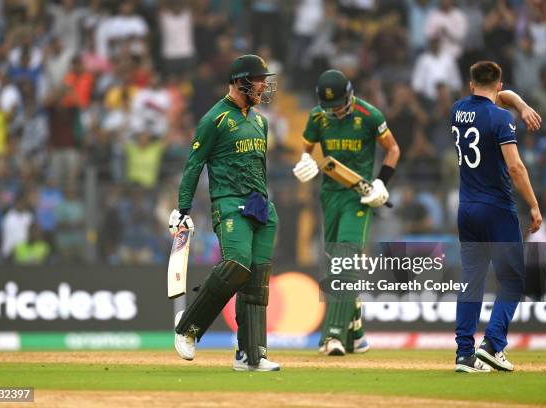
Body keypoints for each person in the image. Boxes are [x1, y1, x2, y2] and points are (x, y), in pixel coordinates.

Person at [170, 54, 280, 371]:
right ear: (239, 81)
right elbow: (194, 165)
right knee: (236, 266)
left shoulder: (261, 121)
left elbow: (259, 167)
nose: (263, 85)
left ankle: (250, 354)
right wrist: (183, 208)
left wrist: (266, 205)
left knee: (257, 281)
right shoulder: (214, 119)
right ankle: (188, 327)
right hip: (230, 202)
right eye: (258, 79)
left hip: (261, 205)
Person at [293, 69, 400, 356]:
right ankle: (357, 332)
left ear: (350, 95)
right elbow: (307, 149)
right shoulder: (317, 116)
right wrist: (305, 164)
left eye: (339, 105)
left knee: (346, 258)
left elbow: (393, 150)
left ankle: (333, 336)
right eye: (330, 107)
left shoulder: (369, 115)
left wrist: (381, 183)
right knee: (333, 263)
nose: (335, 111)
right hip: (330, 196)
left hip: (360, 196)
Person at [452, 61, 542, 373]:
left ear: (470, 84)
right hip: (497, 209)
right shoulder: (501, 119)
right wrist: (533, 205)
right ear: (500, 84)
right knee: (513, 281)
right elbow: (516, 168)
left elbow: (489, 99)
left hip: (466, 209)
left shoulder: (457, 110)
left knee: (471, 282)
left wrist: (520, 102)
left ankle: (464, 355)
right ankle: (492, 344)